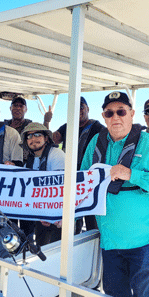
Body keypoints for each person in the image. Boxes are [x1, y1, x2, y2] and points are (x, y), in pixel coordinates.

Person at [80, 91, 149, 297]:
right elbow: (81, 182)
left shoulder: (148, 143)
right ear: (103, 116)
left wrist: (131, 174)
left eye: (121, 111)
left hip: (144, 240)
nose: (116, 117)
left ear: (132, 114)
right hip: (110, 240)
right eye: (109, 113)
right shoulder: (95, 143)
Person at [51, 96, 104, 231]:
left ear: (88, 109)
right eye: (75, 108)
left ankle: (95, 249)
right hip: (70, 178)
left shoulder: (98, 127)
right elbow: (53, 140)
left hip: (90, 180)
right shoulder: (68, 126)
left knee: (92, 220)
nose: (78, 110)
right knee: (72, 218)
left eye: (81, 107)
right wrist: (46, 122)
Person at [21, 122, 65, 244]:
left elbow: (61, 189)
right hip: (40, 216)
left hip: (59, 217)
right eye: (29, 136)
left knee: (57, 253)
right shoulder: (28, 162)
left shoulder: (57, 155)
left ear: (46, 138)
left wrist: (51, 215)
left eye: (37, 134)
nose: (33, 139)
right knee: (41, 249)